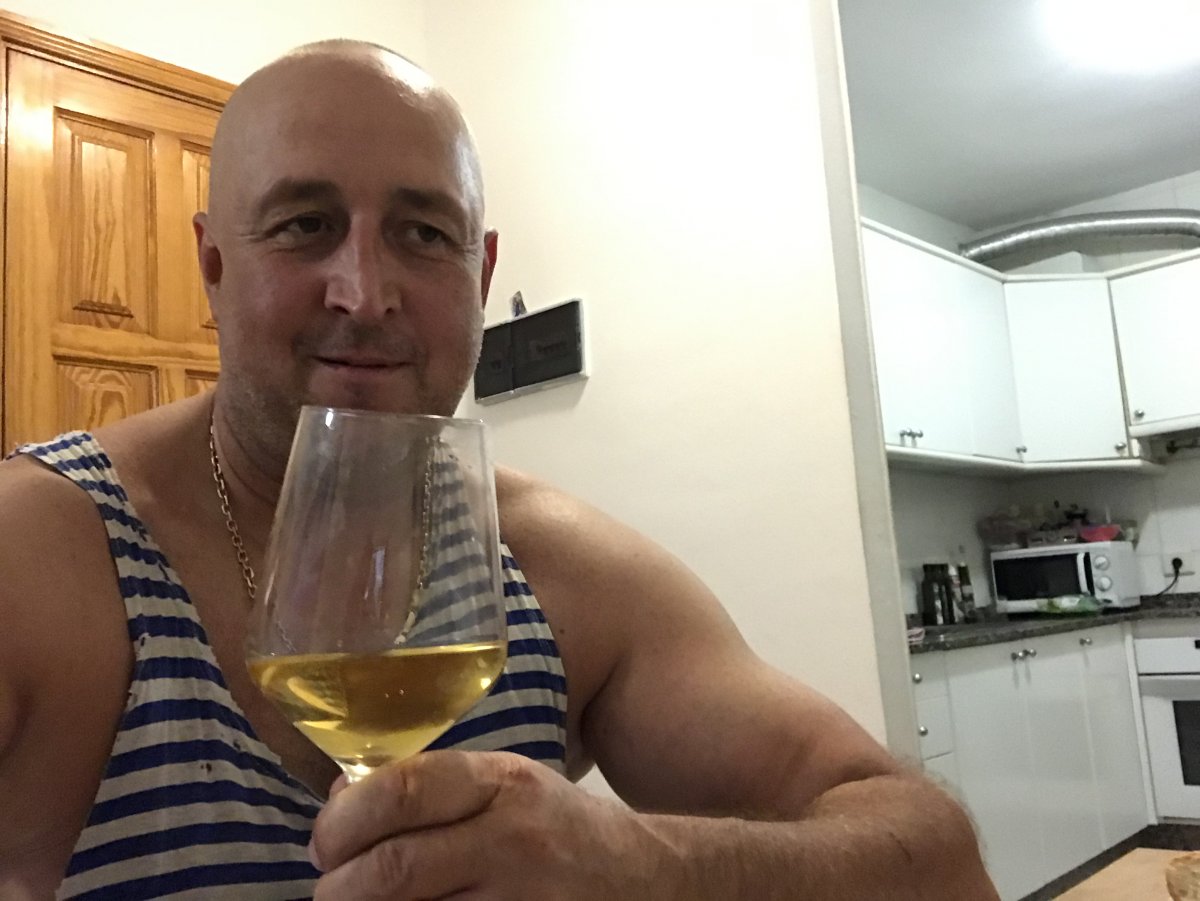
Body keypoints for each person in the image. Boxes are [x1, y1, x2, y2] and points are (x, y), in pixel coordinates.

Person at [0, 40, 998, 900]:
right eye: (305, 224)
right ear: (214, 265)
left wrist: (649, 866)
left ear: (479, 277)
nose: (365, 291)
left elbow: (942, 864)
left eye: (422, 234)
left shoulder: (559, 571)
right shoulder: (36, 554)